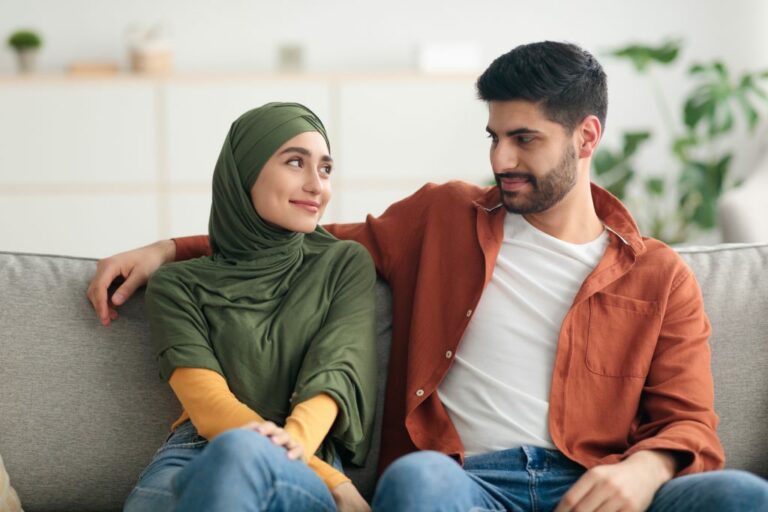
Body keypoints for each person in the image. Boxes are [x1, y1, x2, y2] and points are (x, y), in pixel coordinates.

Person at [87, 43, 768, 511]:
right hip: (465, 484)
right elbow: (300, 239)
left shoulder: (660, 276)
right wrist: (169, 250)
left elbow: (690, 423)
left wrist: (644, 470)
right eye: (494, 136)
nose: (501, 159)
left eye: (524, 139)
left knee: (740, 496)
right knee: (416, 481)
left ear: (586, 138)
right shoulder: (444, 216)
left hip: (596, 487)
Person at [117, 102, 377, 512]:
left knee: (239, 460)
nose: (317, 185)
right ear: (245, 172)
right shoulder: (175, 285)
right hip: (196, 454)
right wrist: (334, 482)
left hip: (300, 458)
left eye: (325, 169)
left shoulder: (343, 264)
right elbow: (209, 409)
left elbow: (334, 374)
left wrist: (300, 453)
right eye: (296, 162)